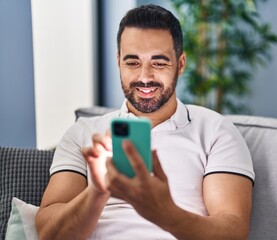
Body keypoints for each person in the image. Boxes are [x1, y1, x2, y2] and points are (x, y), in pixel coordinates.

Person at [35, 4, 255, 240]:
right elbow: (49, 234)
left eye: (159, 63)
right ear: (119, 62)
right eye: (133, 63)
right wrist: (98, 190)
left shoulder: (215, 131)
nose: (145, 77)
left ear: (180, 65)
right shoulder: (84, 133)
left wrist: (164, 213)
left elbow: (233, 232)